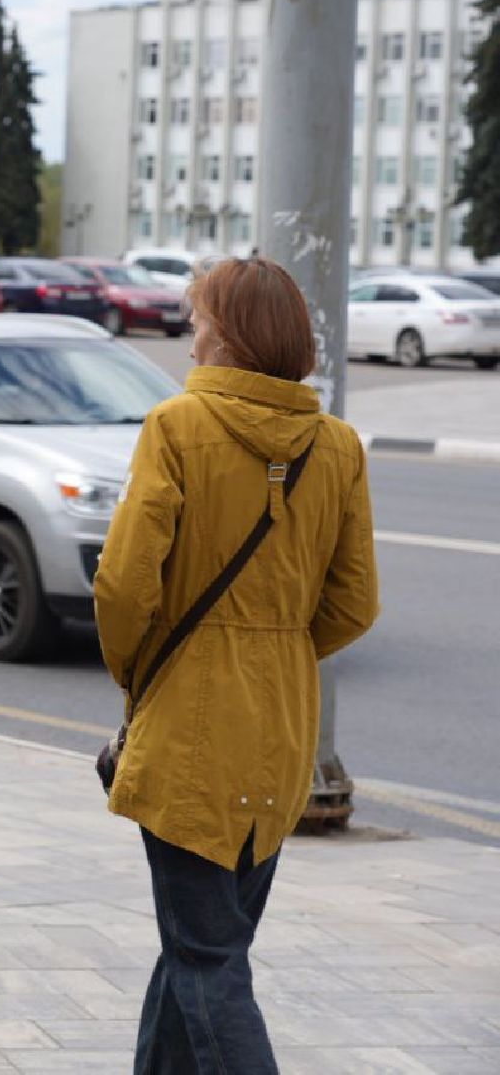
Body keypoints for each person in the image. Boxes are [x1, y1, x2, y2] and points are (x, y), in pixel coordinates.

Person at [94, 256, 380, 1073]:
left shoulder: (177, 426)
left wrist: (142, 671)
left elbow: (123, 587)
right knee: (201, 947)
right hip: (281, 730)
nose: (189, 338)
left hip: (189, 729)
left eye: (196, 321)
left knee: (206, 958)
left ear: (226, 334)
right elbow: (354, 602)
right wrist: (276, 648)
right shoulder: (337, 446)